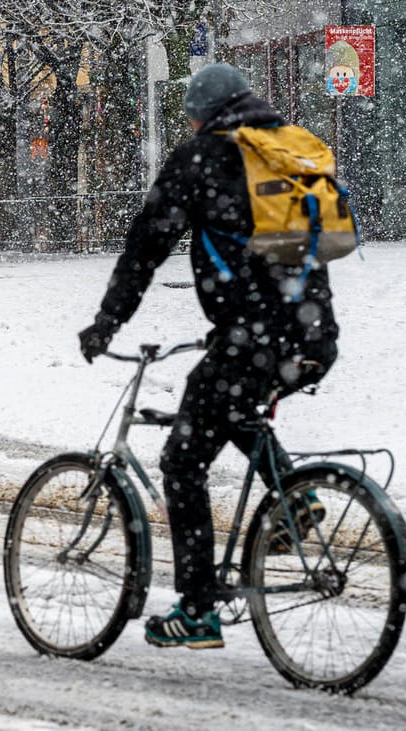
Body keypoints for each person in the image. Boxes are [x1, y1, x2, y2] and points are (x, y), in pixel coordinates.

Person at [77, 64, 340, 649]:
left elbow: (145, 247)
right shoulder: (280, 151)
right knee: (235, 407)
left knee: (182, 462)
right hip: (314, 337)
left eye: (193, 115)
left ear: (203, 114)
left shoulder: (201, 159)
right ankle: (296, 501)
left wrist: (107, 322)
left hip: (253, 337)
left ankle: (197, 610)